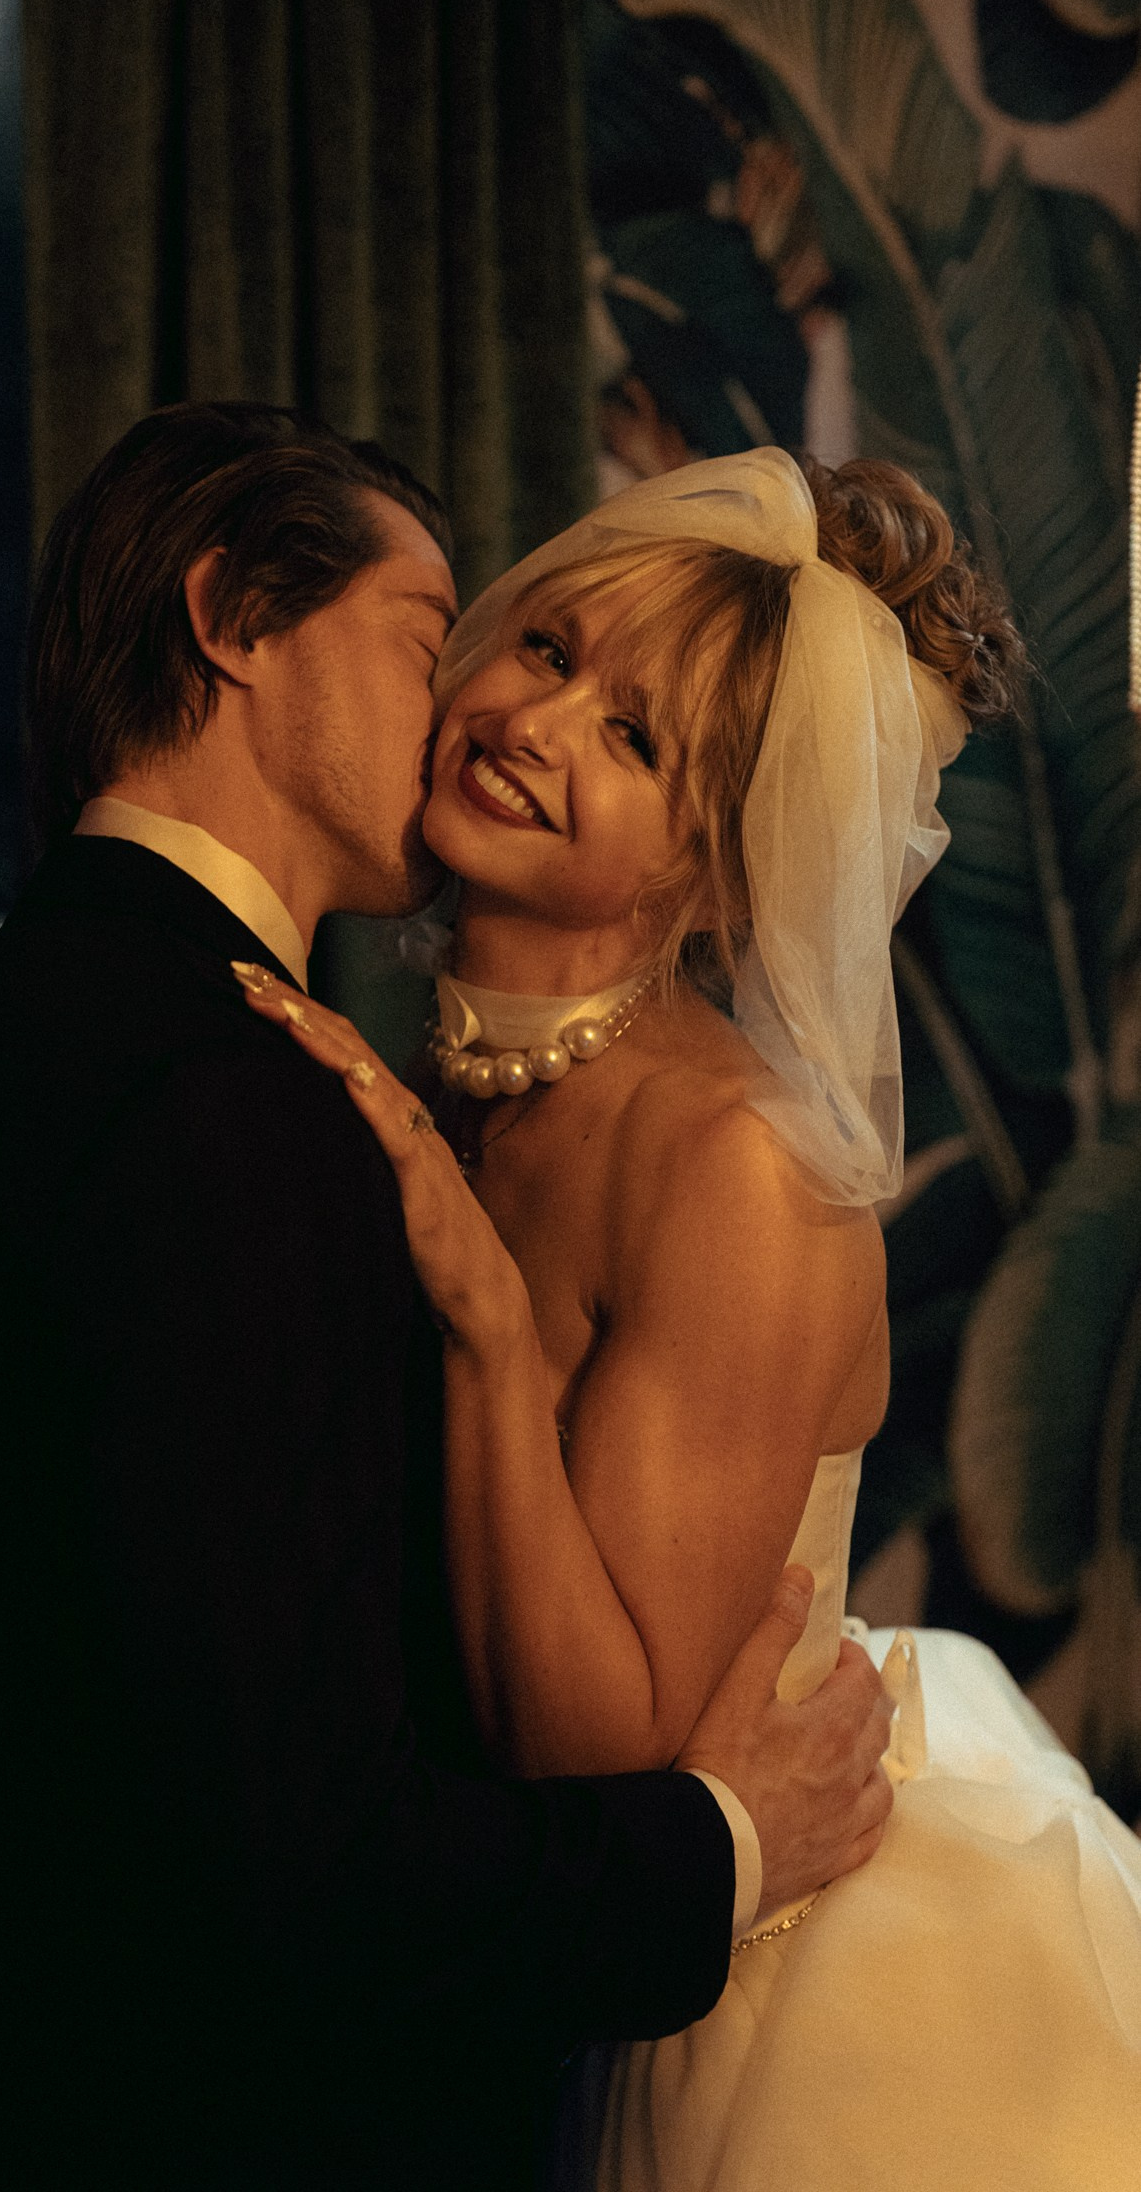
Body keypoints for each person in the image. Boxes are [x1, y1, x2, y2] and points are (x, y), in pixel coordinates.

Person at [0, 407, 894, 2192]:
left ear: (710, 863)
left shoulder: (7, 1044)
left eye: (633, 734)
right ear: (236, 619)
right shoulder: (244, 1094)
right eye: (486, 642)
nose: (494, 710)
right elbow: (289, 1843)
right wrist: (722, 1844)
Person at [243, 445, 1141, 2189]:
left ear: (721, 875)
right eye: (548, 649)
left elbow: (606, 1747)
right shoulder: (452, 1084)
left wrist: (493, 1337)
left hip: (755, 1996)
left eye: (636, 739)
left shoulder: (731, 1166)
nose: (535, 725)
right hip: (497, 1966)